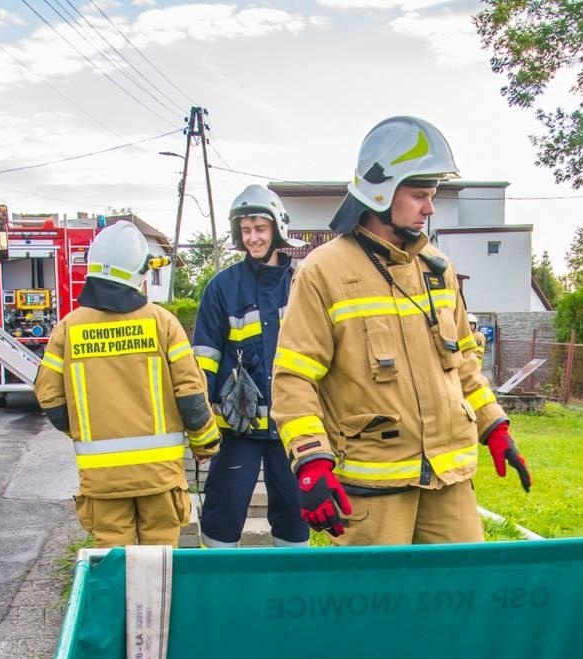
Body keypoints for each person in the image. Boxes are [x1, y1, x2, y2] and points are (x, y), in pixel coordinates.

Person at [272, 115, 532, 545]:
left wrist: (495, 427)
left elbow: (464, 362)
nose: (429, 208)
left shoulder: (438, 269)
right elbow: (294, 378)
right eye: (419, 195)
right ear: (380, 192)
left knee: (465, 585)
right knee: (377, 592)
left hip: (448, 481)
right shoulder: (323, 271)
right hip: (373, 488)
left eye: (432, 196)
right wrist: (311, 461)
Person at [34, 220, 219, 548]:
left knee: (114, 561)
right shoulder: (163, 323)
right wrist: (206, 446)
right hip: (159, 476)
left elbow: (49, 396)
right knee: (159, 563)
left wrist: (83, 431)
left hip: (102, 478)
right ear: (139, 272)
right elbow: (191, 394)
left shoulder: (67, 329)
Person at [193, 185, 308, 548]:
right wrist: (201, 424)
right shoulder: (222, 287)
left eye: (260, 228)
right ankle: (220, 577)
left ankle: (291, 580)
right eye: (245, 230)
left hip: (291, 425)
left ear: (277, 228)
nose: (253, 237)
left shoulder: (301, 284)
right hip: (237, 429)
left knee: (294, 514)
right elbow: (203, 360)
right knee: (222, 513)